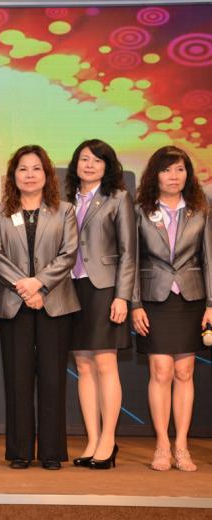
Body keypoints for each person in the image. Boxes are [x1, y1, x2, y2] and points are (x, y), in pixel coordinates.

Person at [0, 144, 79, 470]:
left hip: (55, 302)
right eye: (23, 169)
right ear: (13, 175)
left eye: (36, 168)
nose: (29, 175)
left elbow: (68, 254)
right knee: (18, 379)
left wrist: (39, 284)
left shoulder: (64, 211)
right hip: (15, 303)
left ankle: (52, 452)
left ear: (47, 174)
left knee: (53, 379)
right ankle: (20, 451)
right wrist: (25, 288)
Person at [131, 145, 212, 472]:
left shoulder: (200, 210)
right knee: (161, 371)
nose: (174, 176)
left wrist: (211, 303)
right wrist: (135, 303)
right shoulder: (140, 211)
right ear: (156, 175)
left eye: (180, 169)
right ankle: (162, 444)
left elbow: (209, 259)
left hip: (191, 300)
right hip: (153, 300)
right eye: (167, 170)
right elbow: (131, 260)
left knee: (185, 371)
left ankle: (182, 446)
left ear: (188, 174)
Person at [65, 139, 135, 470]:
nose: (89, 165)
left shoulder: (118, 198)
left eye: (97, 160)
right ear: (75, 164)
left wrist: (123, 296)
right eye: (84, 159)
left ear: (107, 166)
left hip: (105, 289)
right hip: (70, 289)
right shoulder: (65, 200)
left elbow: (129, 251)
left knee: (106, 363)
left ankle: (109, 439)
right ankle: (92, 439)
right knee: (83, 365)